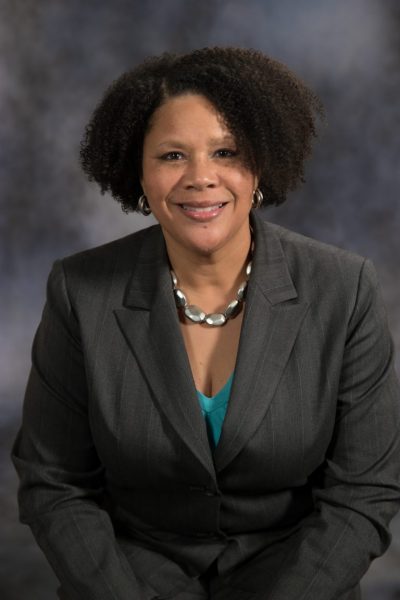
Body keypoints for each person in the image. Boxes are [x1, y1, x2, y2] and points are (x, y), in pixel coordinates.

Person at [12, 47, 400, 600]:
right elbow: (54, 484)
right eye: (172, 155)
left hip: (297, 580)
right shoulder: (80, 291)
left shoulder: (344, 289)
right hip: (132, 578)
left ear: (261, 164)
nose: (201, 177)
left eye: (226, 152)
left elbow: (364, 492)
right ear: (138, 172)